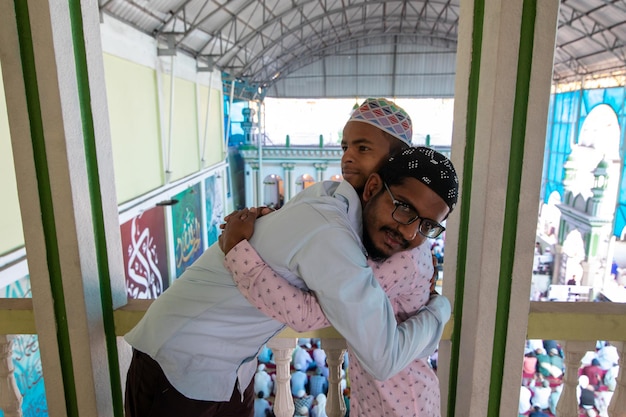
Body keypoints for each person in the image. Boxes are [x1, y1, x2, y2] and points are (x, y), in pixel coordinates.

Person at [123, 99, 453, 417]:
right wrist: (441, 308)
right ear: (378, 185)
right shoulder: (332, 230)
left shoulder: (335, 204)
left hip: (231, 367)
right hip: (181, 361)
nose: (348, 158)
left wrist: (253, 233)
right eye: (346, 147)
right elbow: (334, 328)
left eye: (363, 148)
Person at [221, 147, 458, 416]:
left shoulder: (403, 259)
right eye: (404, 208)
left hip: (404, 404)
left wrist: (237, 251)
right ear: (372, 189)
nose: (409, 231)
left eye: (427, 226)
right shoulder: (361, 239)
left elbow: (307, 314)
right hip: (378, 399)